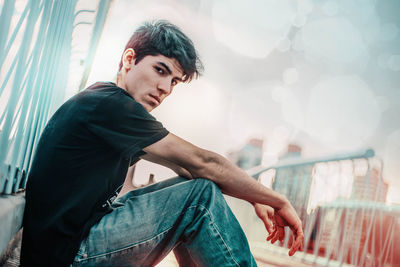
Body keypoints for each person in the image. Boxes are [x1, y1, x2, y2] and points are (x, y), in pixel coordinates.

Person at [20, 20, 304, 267]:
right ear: (129, 59)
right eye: (160, 70)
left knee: (195, 189)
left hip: (68, 245)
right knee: (198, 199)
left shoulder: (107, 107)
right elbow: (203, 162)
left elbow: (193, 171)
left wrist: (254, 197)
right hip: (67, 255)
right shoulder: (110, 106)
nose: (165, 89)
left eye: (174, 82)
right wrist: (277, 200)